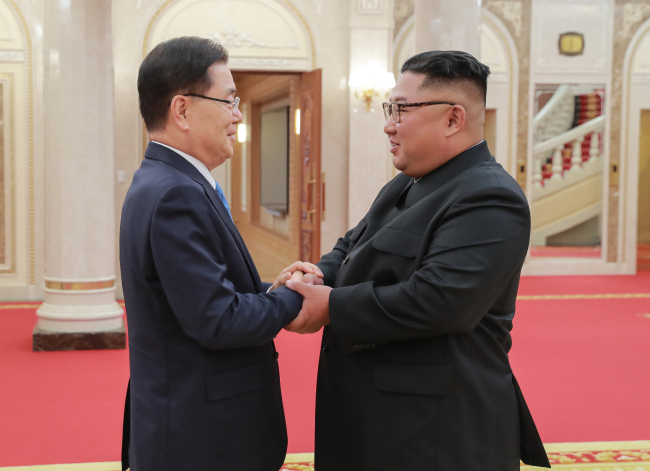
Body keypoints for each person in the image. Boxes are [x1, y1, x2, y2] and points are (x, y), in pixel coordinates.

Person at [285, 51, 551, 470]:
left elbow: (440, 301)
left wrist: (331, 305)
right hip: (384, 418)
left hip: (436, 430)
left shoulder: (489, 196)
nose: (388, 124)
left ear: (452, 119)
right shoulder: (407, 182)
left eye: (401, 110)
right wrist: (317, 273)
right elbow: (351, 245)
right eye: (391, 108)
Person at [119, 37, 321, 471]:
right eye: (229, 100)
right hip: (203, 436)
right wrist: (294, 298)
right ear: (182, 110)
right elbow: (217, 319)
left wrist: (272, 290)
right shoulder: (177, 193)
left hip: (188, 421)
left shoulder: (164, 180)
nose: (236, 116)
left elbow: (199, 296)